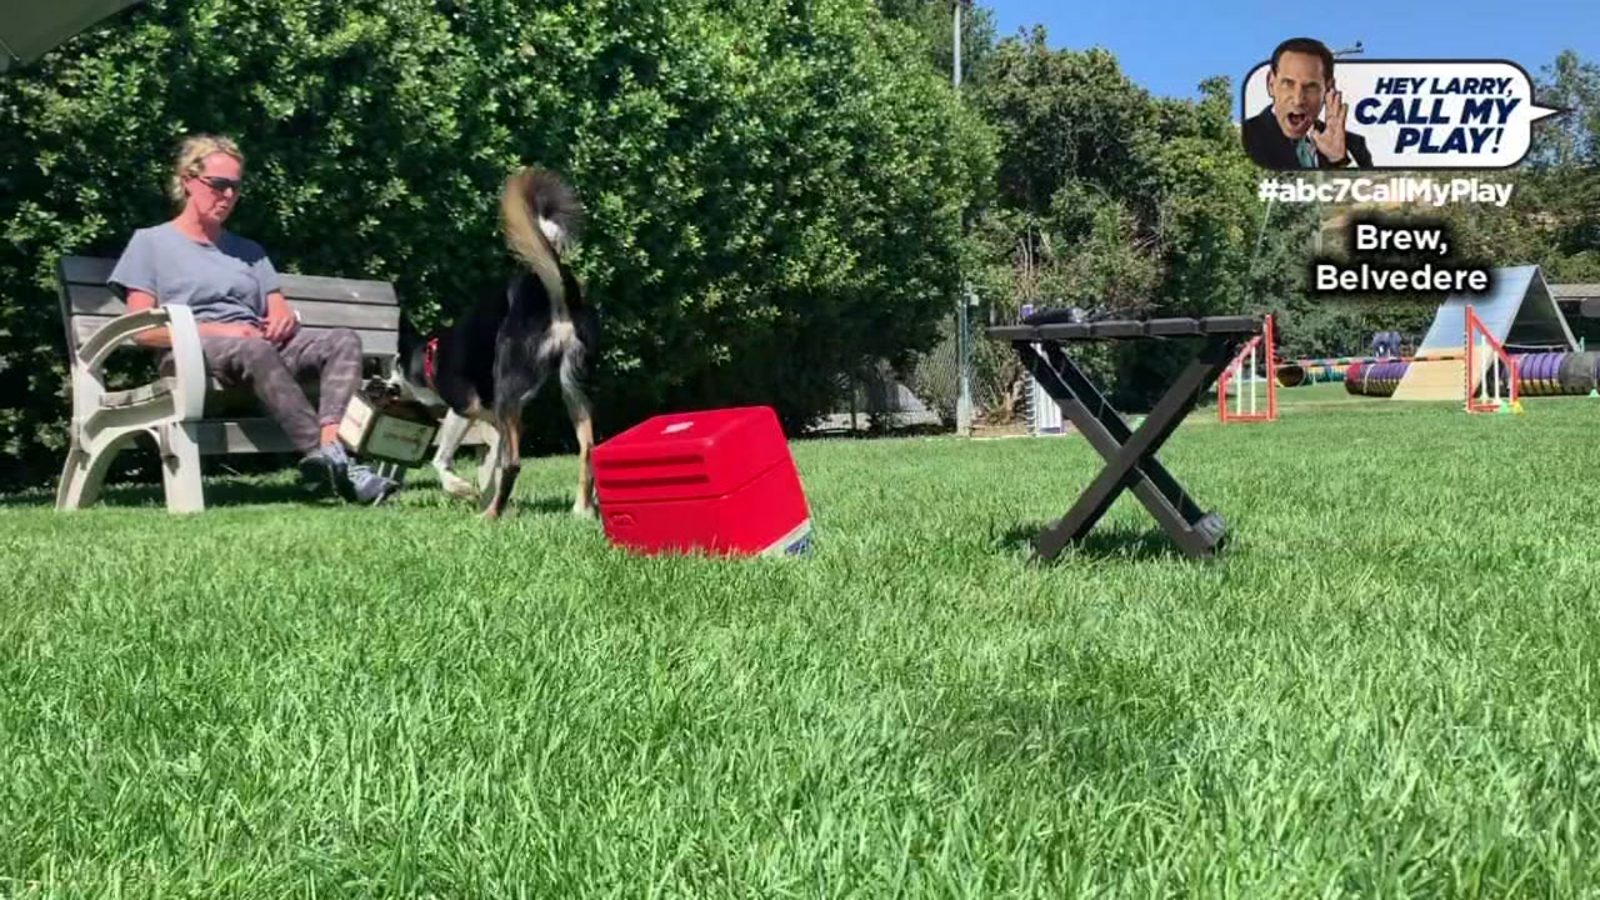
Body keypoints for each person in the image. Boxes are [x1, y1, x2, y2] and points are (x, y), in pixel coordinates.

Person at [106, 134, 399, 504]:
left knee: (343, 339)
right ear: (188, 180)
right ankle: (328, 459)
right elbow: (144, 332)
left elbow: (277, 308)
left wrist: (283, 320)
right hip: (192, 354)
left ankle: (332, 449)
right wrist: (222, 331)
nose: (228, 195)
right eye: (219, 185)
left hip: (259, 349)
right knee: (254, 348)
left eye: (235, 187)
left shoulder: (248, 251)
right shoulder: (151, 243)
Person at [1242, 37, 1373, 171]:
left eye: (1311, 87)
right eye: (1288, 84)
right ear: (1271, 84)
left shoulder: (1352, 146)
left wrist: (1339, 161)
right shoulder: (1244, 138)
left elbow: (1373, 184)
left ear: (1328, 89)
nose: (1298, 100)